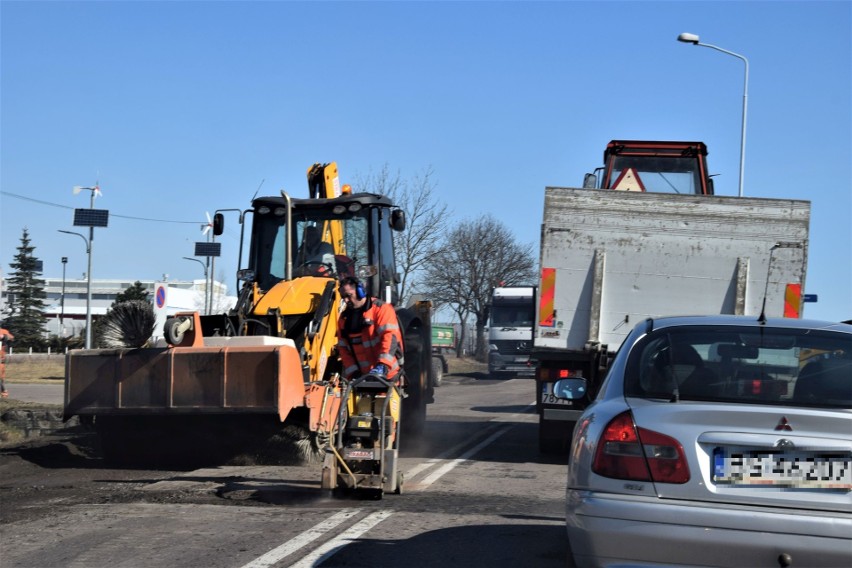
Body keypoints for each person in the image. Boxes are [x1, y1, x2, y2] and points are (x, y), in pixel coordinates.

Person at [336, 277, 404, 383]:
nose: (346, 300)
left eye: (349, 296)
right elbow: (343, 349)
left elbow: (390, 337)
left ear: (360, 292)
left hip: (388, 377)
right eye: (343, 297)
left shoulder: (382, 309)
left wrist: (383, 366)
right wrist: (353, 373)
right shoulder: (344, 319)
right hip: (362, 380)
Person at [0, 327, 14, 398]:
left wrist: (4, 337)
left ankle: (4, 393)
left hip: (0, 360)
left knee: (1, 378)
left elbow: (11, 338)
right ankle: (3, 392)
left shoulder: (3, 331)